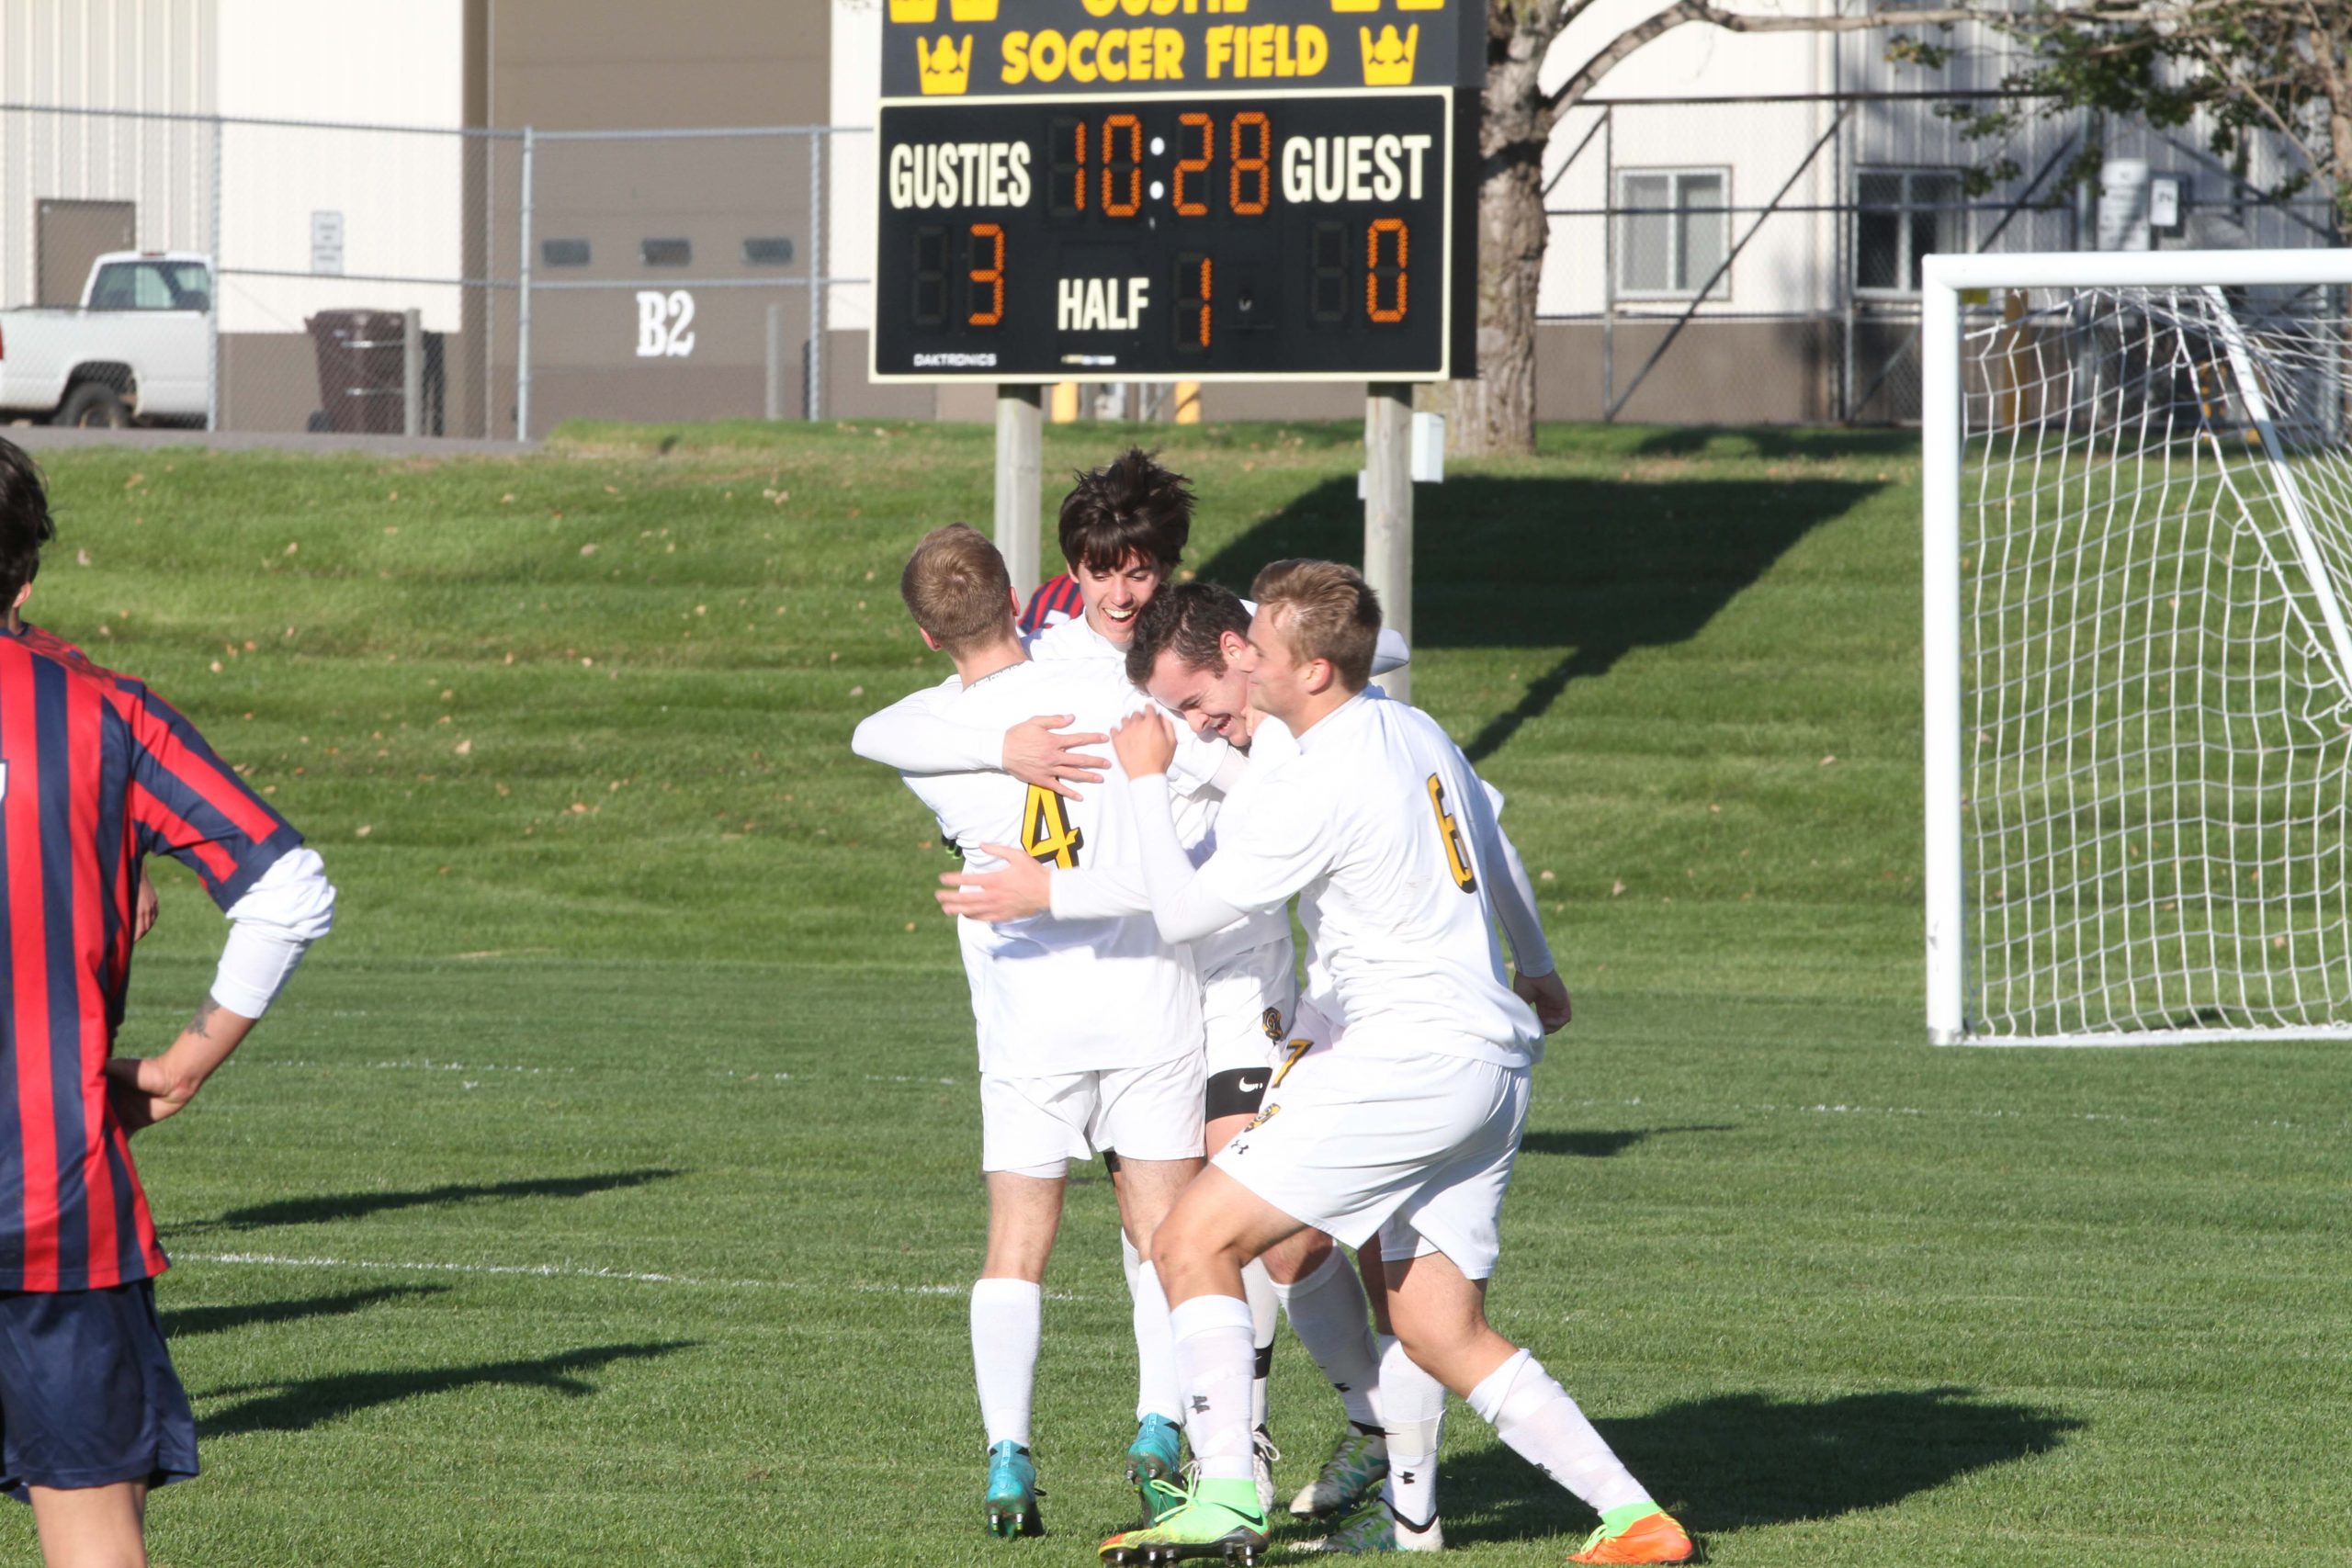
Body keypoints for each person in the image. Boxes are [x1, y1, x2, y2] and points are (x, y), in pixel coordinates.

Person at [1099, 561, 1694, 1566]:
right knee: (1436, 1328)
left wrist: (1149, 783)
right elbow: (1493, 847)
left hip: (1411, 1058)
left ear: (1314, 670)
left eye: (1258, 649)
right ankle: (1636, 1518)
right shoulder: (1413, 729)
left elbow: (1183, 913)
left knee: (1189, 1240)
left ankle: (1227, 1499)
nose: (1243, 653)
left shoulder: (1318, 777)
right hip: (1490, 1064)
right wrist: (1539, 970)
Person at [0, 437, 337, 1568]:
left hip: (56, 1204)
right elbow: (287, 887)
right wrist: (186, 1063)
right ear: (26, 576)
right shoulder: (100, 712)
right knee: (91, 1521)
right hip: (53, 1200)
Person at [854, 523, 1206, 1540]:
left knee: (1016, 1245)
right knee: (1163, 1239)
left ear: (924, 637)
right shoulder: (1112, 692)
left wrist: (987, 745)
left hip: (1025, 1022)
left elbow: (868, 733)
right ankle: (1156, 1431)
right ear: (1020, 595)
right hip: (1146, 997)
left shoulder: (928, 731)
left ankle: (1008, 1456)